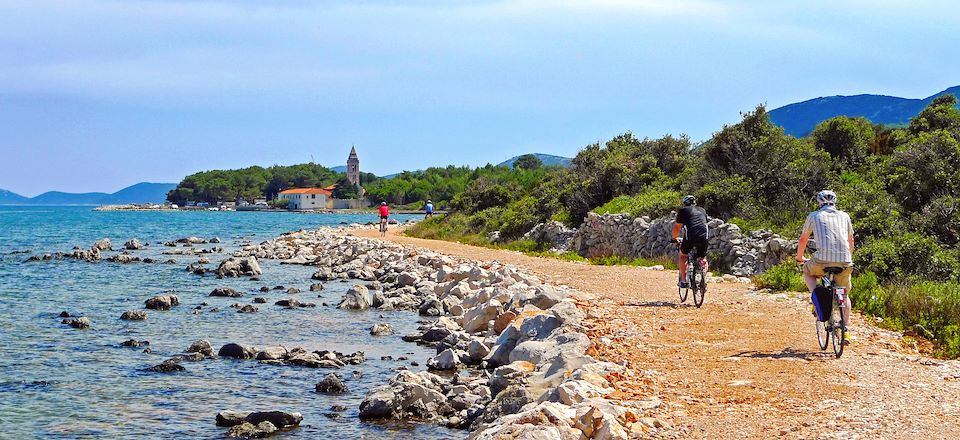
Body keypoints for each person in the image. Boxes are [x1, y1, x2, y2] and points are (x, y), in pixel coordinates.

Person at [796, 190, 855, 336]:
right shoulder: (845, 216)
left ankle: (817, 298)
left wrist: (800, 257)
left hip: (822, 260)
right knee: (844, 293)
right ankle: (845, 328)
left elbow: (803, 239)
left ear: (819, 202)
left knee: (807, 272)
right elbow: (851, 240)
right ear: (835, 202)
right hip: (845, 261)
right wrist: (848, 258)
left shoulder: (814, 216)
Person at [671, 195, 709, 288]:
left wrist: (674, 239)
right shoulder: (702, 210)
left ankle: (684, 281)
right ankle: (703, 278)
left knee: (683, 256)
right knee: (703, 257)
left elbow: (677, 227)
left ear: (685, 203)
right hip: (704, 236)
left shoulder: (683, 211)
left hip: (690, 237)